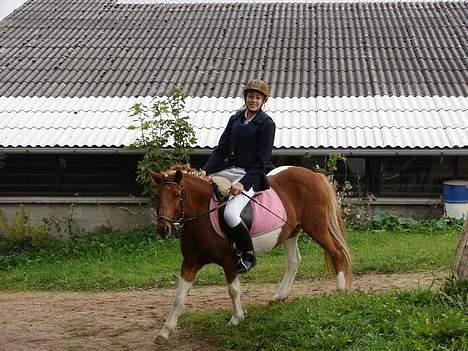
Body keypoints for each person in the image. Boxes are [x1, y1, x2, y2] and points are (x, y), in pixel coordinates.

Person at [202, 79, 276, 274]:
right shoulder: (235, 119)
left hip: (250, 175)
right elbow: (221, 150)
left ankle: (247, 254)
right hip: (228, 170)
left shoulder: (267, 124)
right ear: (245, 98)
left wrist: (243, 184)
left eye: (257, 97)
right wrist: (205, 170)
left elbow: (262, 161)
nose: (253, 100)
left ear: (263, 101)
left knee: (230, 213)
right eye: (250, 96)